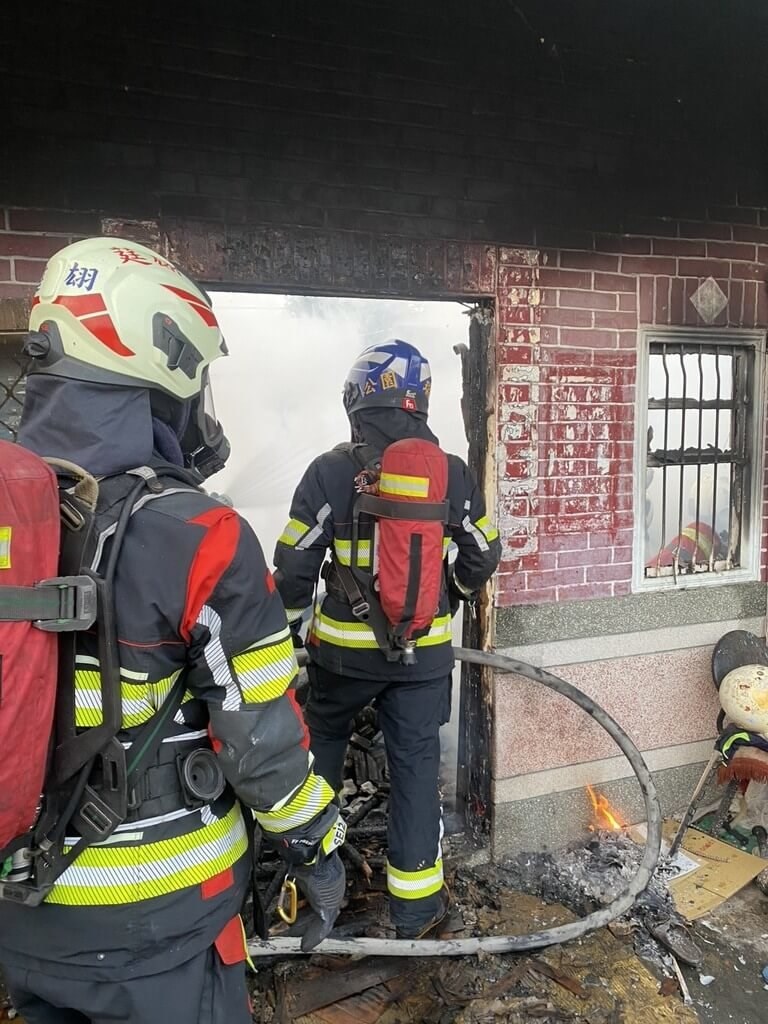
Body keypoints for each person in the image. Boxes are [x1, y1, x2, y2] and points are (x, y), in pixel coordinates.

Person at [0, 238, 344, 1023]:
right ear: (161, 370)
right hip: (156, 932)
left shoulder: (13, 518)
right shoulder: (201, 536)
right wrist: (317, 845)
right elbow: (261, 742)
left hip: (21, 915)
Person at [274, 340, 501, 939]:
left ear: (358, 399)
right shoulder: (452, 472)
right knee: (416, 773)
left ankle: (310, 891)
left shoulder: (328, 472)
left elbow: (295, 568)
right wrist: (446, 595)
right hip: (422, 661)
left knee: (317, 757)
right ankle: (416, 912)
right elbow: (484, 552)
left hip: (341, 661)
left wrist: (288, 640)